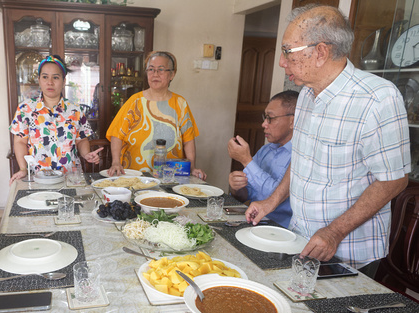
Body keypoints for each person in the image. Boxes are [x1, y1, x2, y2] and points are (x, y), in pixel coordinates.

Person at [245, 5, 411, 276]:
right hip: (301, 239)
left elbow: (394, 180)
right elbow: (301, 160)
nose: (282, 62)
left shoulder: (378, 98)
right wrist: (271, 202)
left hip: (348, 252)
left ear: (320, 52)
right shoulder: (307, 96)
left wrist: (334, 232)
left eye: (288, 51)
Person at [106, 51, 207, 180]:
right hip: (135, 175)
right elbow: (117, 135)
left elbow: (188, 139)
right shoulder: (134, 101)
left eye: (161, 70)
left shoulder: (180, 103)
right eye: (151, 69)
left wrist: (192, 167)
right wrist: (115, 162)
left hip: (171, 176)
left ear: (172, 74)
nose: (155, 74)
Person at [8, 55, 102, 184]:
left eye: (56, 77)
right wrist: (23, 169)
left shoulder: (75, 110)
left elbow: (82, 140)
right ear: (39, 79)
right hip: (38, 178)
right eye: (45, 77)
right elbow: (19, 142)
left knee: (70, 204)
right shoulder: (26, 109)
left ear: (63, 81)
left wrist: (86, 154)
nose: (50, 82)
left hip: (70, 177)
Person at [228, 91, 298, 228]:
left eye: (270, 118)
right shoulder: (266, 150)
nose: (264, 124)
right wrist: (236, 187)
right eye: (264, 118)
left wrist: (246, 160)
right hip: (254, 222)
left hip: (279, 229)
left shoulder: (299, 155)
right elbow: (246, 195)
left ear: (292, 121)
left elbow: (275, 196)